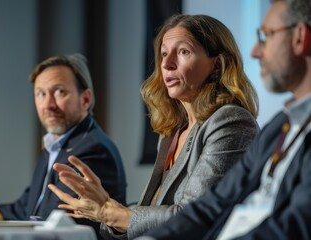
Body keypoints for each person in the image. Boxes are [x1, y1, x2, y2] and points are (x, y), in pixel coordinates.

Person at [48, 14, 260, 240]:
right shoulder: (173, 131)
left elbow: (193, 217)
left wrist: (110, 213)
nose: (167, 64)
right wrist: (106, 208)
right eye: (164, 54)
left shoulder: (231, 122)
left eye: (183, 52)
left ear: (216, 66)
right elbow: (152, 207)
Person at [132, 0, 311, 239]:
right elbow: (210, 207)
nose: (255, 51)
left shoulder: (233, 121)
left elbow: (294, 225)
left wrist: (116, 215)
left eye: (266, 36)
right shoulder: (279, 126)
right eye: (163, 54)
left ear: (299, 37)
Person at [0, 54, 127, 237]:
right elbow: (25, 208)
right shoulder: (55, 145)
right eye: (41, 94)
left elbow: (56, 222)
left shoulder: (92, 150)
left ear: (85, 99)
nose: (48, 105)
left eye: (59, 92)